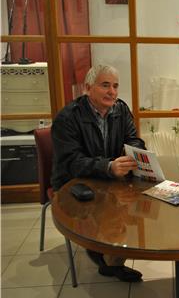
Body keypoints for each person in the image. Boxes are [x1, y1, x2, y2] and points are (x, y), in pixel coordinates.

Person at [51, 65, 145, 282]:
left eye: (115, 86)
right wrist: (108, 167)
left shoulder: (120, 109)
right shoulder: (68, 117)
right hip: (74, 182)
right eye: (105, 85)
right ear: (87, 88)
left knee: (136, 201)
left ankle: (111, 255)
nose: (112, 92)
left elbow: (134, 138)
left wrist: (132, 153)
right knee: (107, 205)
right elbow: (71, 162)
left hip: (109, 178)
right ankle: (108, 258)